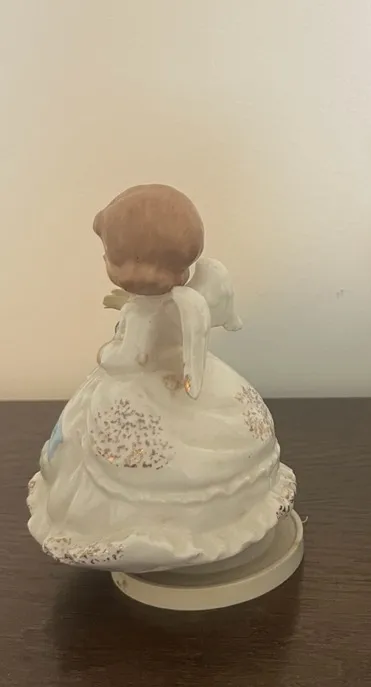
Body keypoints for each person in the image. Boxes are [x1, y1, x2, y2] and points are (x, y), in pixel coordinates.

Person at [27, 184, 295, 572]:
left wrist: (108, 352)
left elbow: (131, 358)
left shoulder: (143, 314)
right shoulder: (184, 300)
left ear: (128, 266)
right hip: (181, 373)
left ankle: (149, 529)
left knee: (107, 445)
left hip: (141, 386)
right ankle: (217, 513)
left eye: (108, 255)